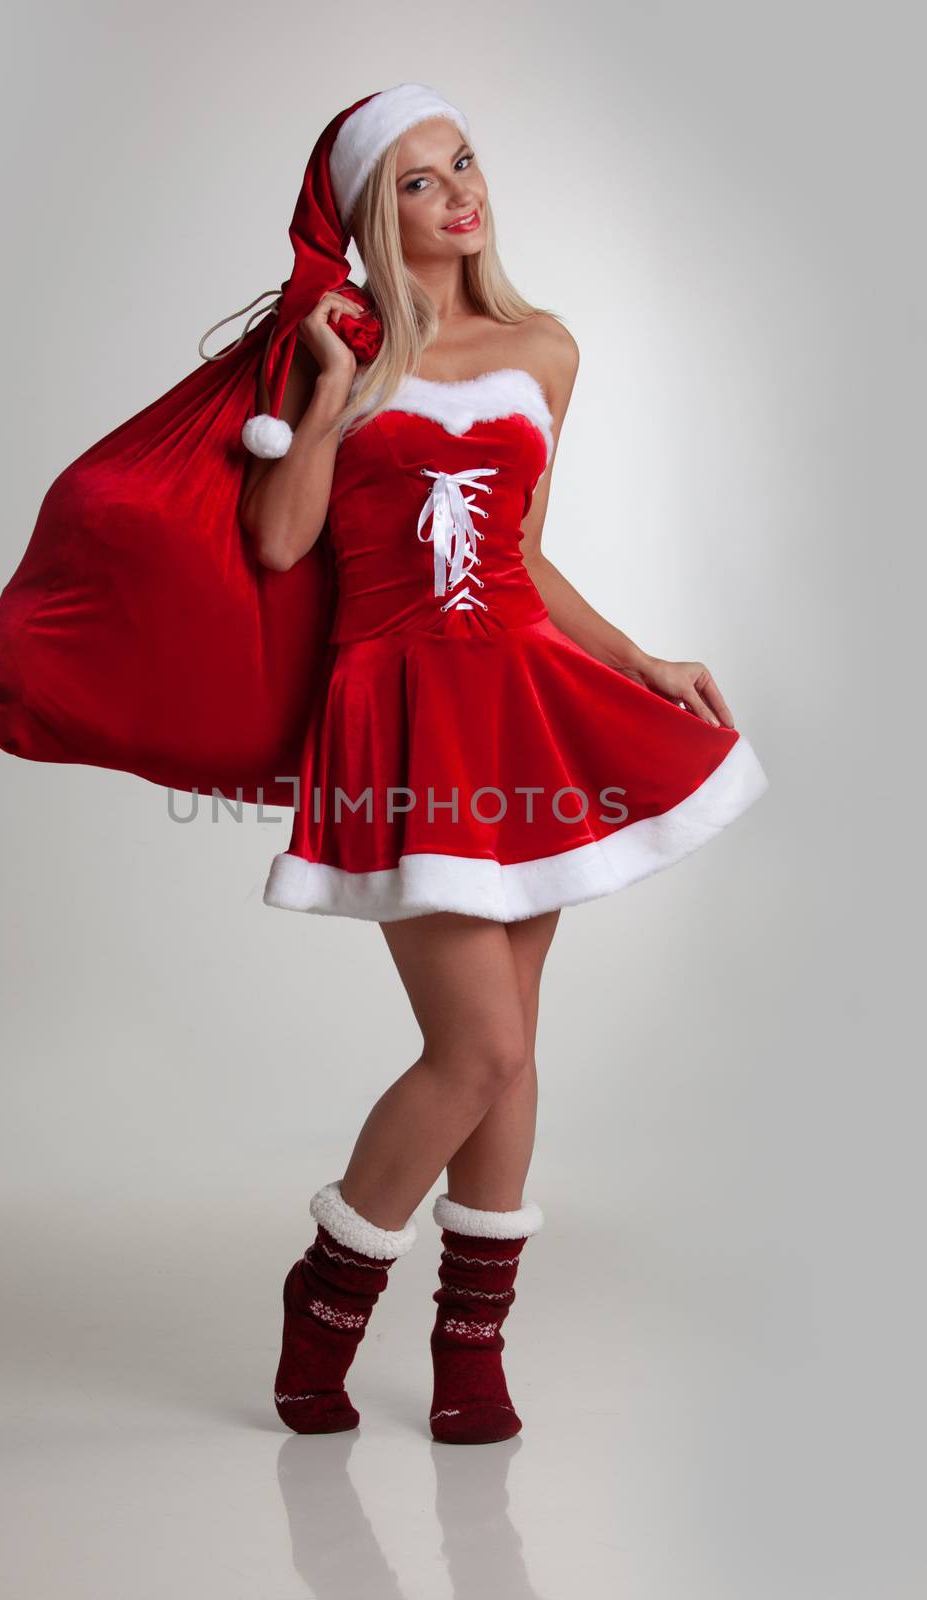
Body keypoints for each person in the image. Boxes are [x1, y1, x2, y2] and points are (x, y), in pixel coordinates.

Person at [236, 84, 769, 1445]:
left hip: (524, 701)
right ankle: (330, 1292)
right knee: (474, 1048)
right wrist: (339, 391)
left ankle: (471, 1347)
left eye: (462, 162)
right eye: (417, 180)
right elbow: (284, 542)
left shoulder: (545, 348)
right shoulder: (345, 346)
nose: (457, 192)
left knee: (512, 1051)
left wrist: (641, 659)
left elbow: (523, 553)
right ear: (375, 212)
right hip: (402, 714)